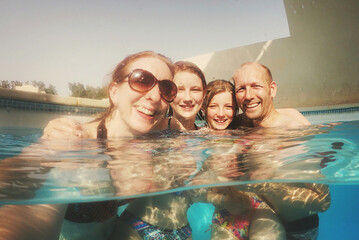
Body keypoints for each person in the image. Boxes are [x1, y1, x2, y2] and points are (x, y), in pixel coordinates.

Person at [232, 62, 330, 239]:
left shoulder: (293, 133)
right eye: (241, 89)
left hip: (298, 228)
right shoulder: (247, 125)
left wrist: (267, 187)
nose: (248, 95)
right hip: (263, 218)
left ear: (272, 89)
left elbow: (323, 202)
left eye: (256, 86)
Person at [202, 79, 285, 240]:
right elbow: (193, 191)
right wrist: (224, 200)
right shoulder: (199, 137)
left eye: (228, 106)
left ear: (236, 109)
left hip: (257, 209)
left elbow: (276, 115)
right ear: (204, 108)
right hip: (224, 217)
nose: (221, 113)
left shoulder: (243, 129)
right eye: (213, 106)